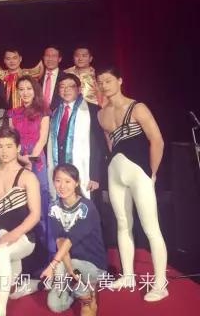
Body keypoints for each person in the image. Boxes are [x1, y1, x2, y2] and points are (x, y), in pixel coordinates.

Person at [96, 67, 168, 301]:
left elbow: (157, 140)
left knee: (151, 228)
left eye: (108, 80)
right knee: (123, 224)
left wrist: (151, 173)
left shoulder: (137, 107)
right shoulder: (101, 114)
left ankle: (160, 284)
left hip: (139, 173)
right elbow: (110, 144)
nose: (104, 85)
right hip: (115, 173)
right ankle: (127, 275)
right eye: (100, 82)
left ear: (119, 80)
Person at [0, 127, 41, 316]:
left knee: (2, 251)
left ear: (18, 148)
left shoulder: (28, 177)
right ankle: (34, 284)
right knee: (13, 287)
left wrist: (14, 235)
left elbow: (35, 215)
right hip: (1, 236)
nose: (4, 151)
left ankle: (0, 310)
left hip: (24, 237)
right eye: (0, 146)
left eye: (9, 146)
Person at [42, 163, 106, 316]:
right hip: (68, 261)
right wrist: (70, 270)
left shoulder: (86, 207)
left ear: (76, 183)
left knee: (69, 266)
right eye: (58, 181)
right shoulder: (54, 208)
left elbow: (70, 240)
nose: (62, 186)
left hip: (93, 264)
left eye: (67, 181)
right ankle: (77, 285)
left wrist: (53, 265)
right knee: (56, 305)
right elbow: (60, 242)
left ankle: (87, 297)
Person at [7, 76, 52, 254]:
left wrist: (30, 158)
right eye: (21, 89)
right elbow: (11, 140)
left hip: (36, 161)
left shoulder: (43, 112)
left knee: (40, 204)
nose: (25, 92)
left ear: (35, 91)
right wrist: (18, 157)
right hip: (17, 161)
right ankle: (24, 253)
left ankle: (46, 252)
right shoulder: (13, 113)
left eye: (28, 89)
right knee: (21, 204)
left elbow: (43, 138)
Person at [47, 74, 107, 201]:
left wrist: (95, 176)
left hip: (86, 173)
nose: (66, 90)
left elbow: (99, 145)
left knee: (87, 207)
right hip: (60, 167)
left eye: (71, 86)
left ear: (79, 89)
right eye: (62, 87)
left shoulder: (92, 110)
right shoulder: (54, 112)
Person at [39, 46, 65, 111]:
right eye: (47, 55)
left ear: (59, 59)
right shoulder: (37, 76)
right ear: (43, 58)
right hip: (37, 114)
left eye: (54, 56)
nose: (50, 59)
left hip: (58, 114)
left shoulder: (65, 77)